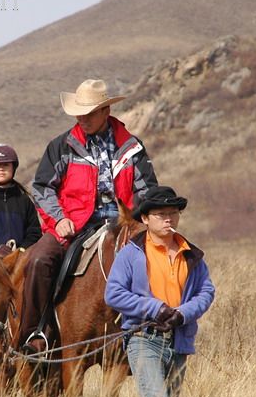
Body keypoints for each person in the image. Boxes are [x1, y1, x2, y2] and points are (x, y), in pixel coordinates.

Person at [18, 79, 158, 351]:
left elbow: (148, 191)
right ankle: (34, 334)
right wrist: (59, 219)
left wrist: (139, 222)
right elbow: (42, 187)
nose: (82, 119)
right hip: (74, 223)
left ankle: (157, 334)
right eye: (79, 113)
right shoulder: (62, 146)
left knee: (166, 260)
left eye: (89, 113)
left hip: (124, 225)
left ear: (106, 111)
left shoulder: (131, 147)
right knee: (38, 260)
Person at [104, 185, 215, 397]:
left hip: (179, 340)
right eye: (160, 214)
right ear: (145, 218)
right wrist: (156, 308)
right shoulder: (131, 253)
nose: (168, 219)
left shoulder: (190, 254)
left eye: (173, 213)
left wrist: (182, 313)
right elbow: (114, 294)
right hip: (144, 339)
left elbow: (206, 291)